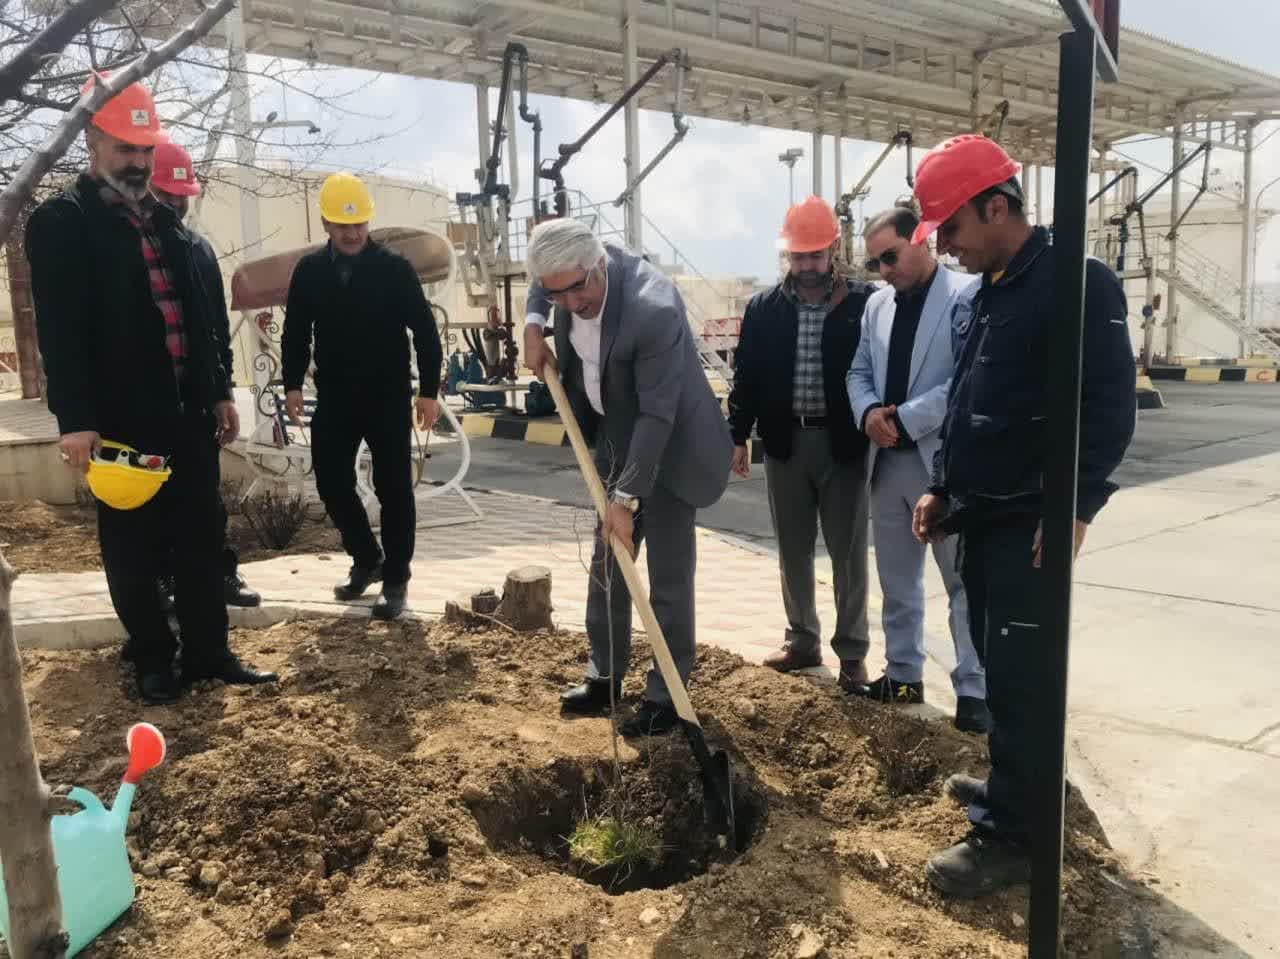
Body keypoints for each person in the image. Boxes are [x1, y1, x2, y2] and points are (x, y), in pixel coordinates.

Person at [908, 135, 1136, 897]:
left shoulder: (1077, 285)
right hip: (984, 516)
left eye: (951, 228)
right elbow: (971, 399)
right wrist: (943, 487)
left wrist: (1077, 504)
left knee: (1023, 677)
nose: (945, 246)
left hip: (1030, 523)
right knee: (999, 667)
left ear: (997, 207)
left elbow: (1110, 407)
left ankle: (1014, 838)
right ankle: (1014, 781)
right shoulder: (991, 289)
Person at [26, 77, 277, 704]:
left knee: (200, 536)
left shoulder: (167, 223)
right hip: (119, 420)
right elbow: (60, 331)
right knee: (133, 545)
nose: (138, 161)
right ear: (93, 140)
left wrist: (219, 391)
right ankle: (152, 658)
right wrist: (75, 418)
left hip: (187, 414)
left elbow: (196, 318)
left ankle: (209, 653)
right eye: (126, 148)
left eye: (145, 149)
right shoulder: (63, 224)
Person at [521, 219, 732, 737]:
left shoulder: (652, 308)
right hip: (618, 434)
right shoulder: (566, 273)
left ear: (599, 265)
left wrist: (626, 499)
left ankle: (666, 695)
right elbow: (545, 284)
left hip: (671, 445)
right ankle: (605, 675)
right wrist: (532, 324)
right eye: (557, 295)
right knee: (609, 565)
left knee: (668, 576)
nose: (571, 303)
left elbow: (657, 415)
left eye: (579, 289)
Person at [847, 205, 988, 733]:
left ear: (922, 239)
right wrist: (868, 413)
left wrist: (905, 418)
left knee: (962, 582)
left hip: (944, 464)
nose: (884, 270)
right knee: (897, 580)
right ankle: (903, 673)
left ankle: (974, 689)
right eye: (875, 263)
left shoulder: (967, 295)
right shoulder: (877, 305)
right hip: (887, 464)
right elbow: (859, 370)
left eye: (890, 256)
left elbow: (968, 379)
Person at [725, 196, 875, 691]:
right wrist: (738, 434)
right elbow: (747, 376)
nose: (807, 266)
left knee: (848, 553)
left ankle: (852, 652)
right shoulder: (764, 309)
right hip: (786, 444)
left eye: (815, 255)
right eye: (798, 256)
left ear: (834, 249)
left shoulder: (863, 303)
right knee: (792, 549)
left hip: (844, 445)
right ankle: (802, 640)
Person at [281, 172, 442, 621]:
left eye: (359, 225)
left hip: (387, 395)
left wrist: (429, 391)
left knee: (394, 488)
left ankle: (396, 579)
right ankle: (367, 558)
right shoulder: (310, 271)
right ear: (326, 224)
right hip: (335, 395)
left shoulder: (394, 268)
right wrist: (291, 384)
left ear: (368, 222)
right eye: (342, 225)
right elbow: (296, 332)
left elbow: (425, 331)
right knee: (331, 482)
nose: (352, 234)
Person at [150, 137, 260, 610]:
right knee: (153, 500)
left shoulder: (199, 251)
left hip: (195, 400)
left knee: (204, 499)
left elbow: (215, 330)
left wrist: (223, 394)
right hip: (144, 402)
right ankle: (162, 579)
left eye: (182, 195)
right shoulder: (126, 252)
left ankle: (219, 574)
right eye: (166, 194)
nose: (176, 204)